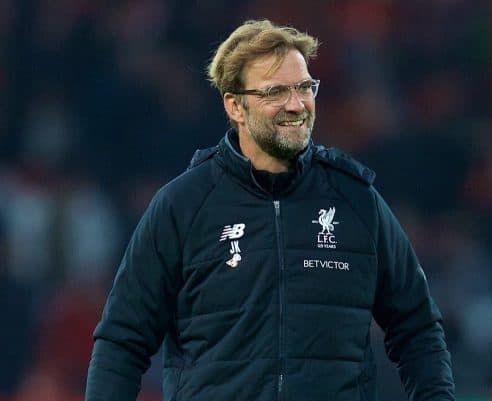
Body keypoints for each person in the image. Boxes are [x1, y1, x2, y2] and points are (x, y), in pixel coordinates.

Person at [85, 19, 455, 401]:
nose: (296, 105)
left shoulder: (356, 200)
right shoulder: (183, 205)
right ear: (235, 106)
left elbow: (418, 330)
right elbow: (121, 342)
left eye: (304, 88)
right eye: (276, 91)